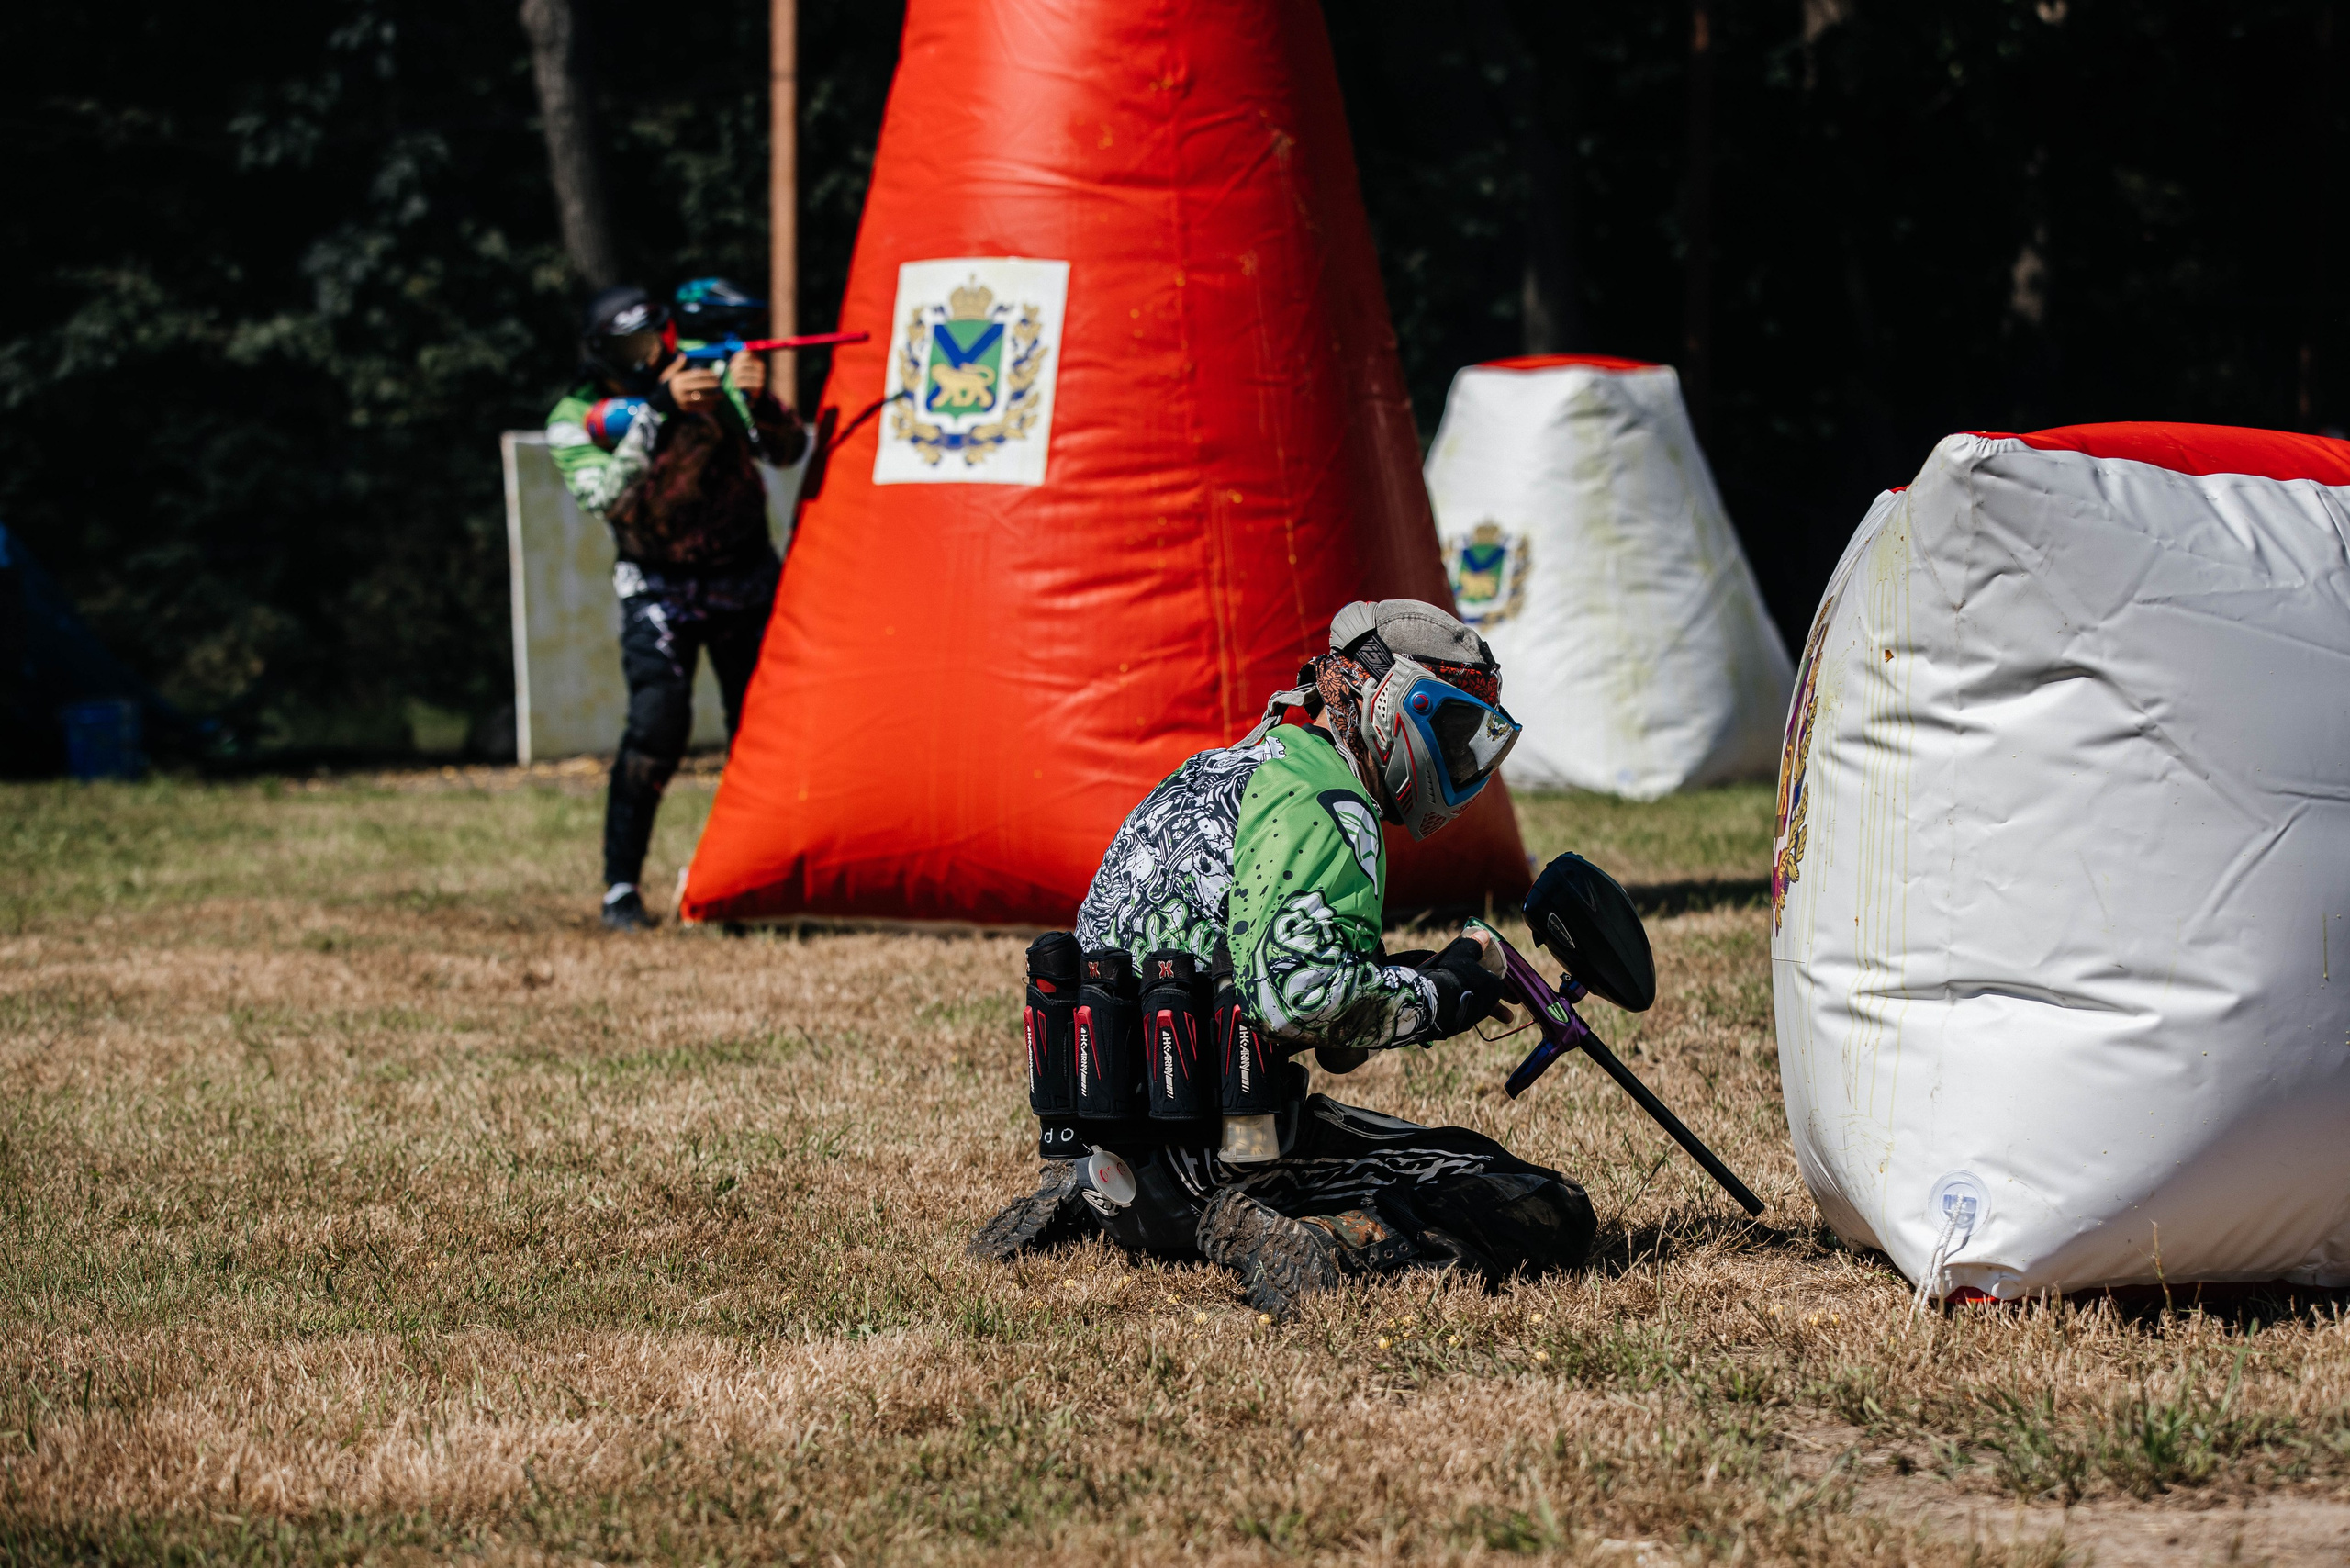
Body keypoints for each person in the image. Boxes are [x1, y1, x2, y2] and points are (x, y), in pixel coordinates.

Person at [969, 599, 1598, 1316]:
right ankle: (1327, 1237)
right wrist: (1446, 992)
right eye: (1452, 731)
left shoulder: (1215, 770)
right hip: (1236, 1158)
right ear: (1388, 704)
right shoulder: (1328, 802)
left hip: (1114, 1155)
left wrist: (1403, 970)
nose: (1462, 762)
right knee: (1539, 1204)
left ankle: (1085, 1195)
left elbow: (1224, 964)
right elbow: (1300, 999)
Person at [544, 281, 807, 930]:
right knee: (656, 728)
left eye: (656, 338)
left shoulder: (707, 375)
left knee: (760, 733)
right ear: (606, 353)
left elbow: (785, 449)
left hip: (743, 576)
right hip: (657, 588)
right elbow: (607, 497)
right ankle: (620, 888)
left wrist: (756, 399)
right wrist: (659, 412)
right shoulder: (574, 415)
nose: (653, 354)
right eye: (633, 346)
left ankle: (758, 883)